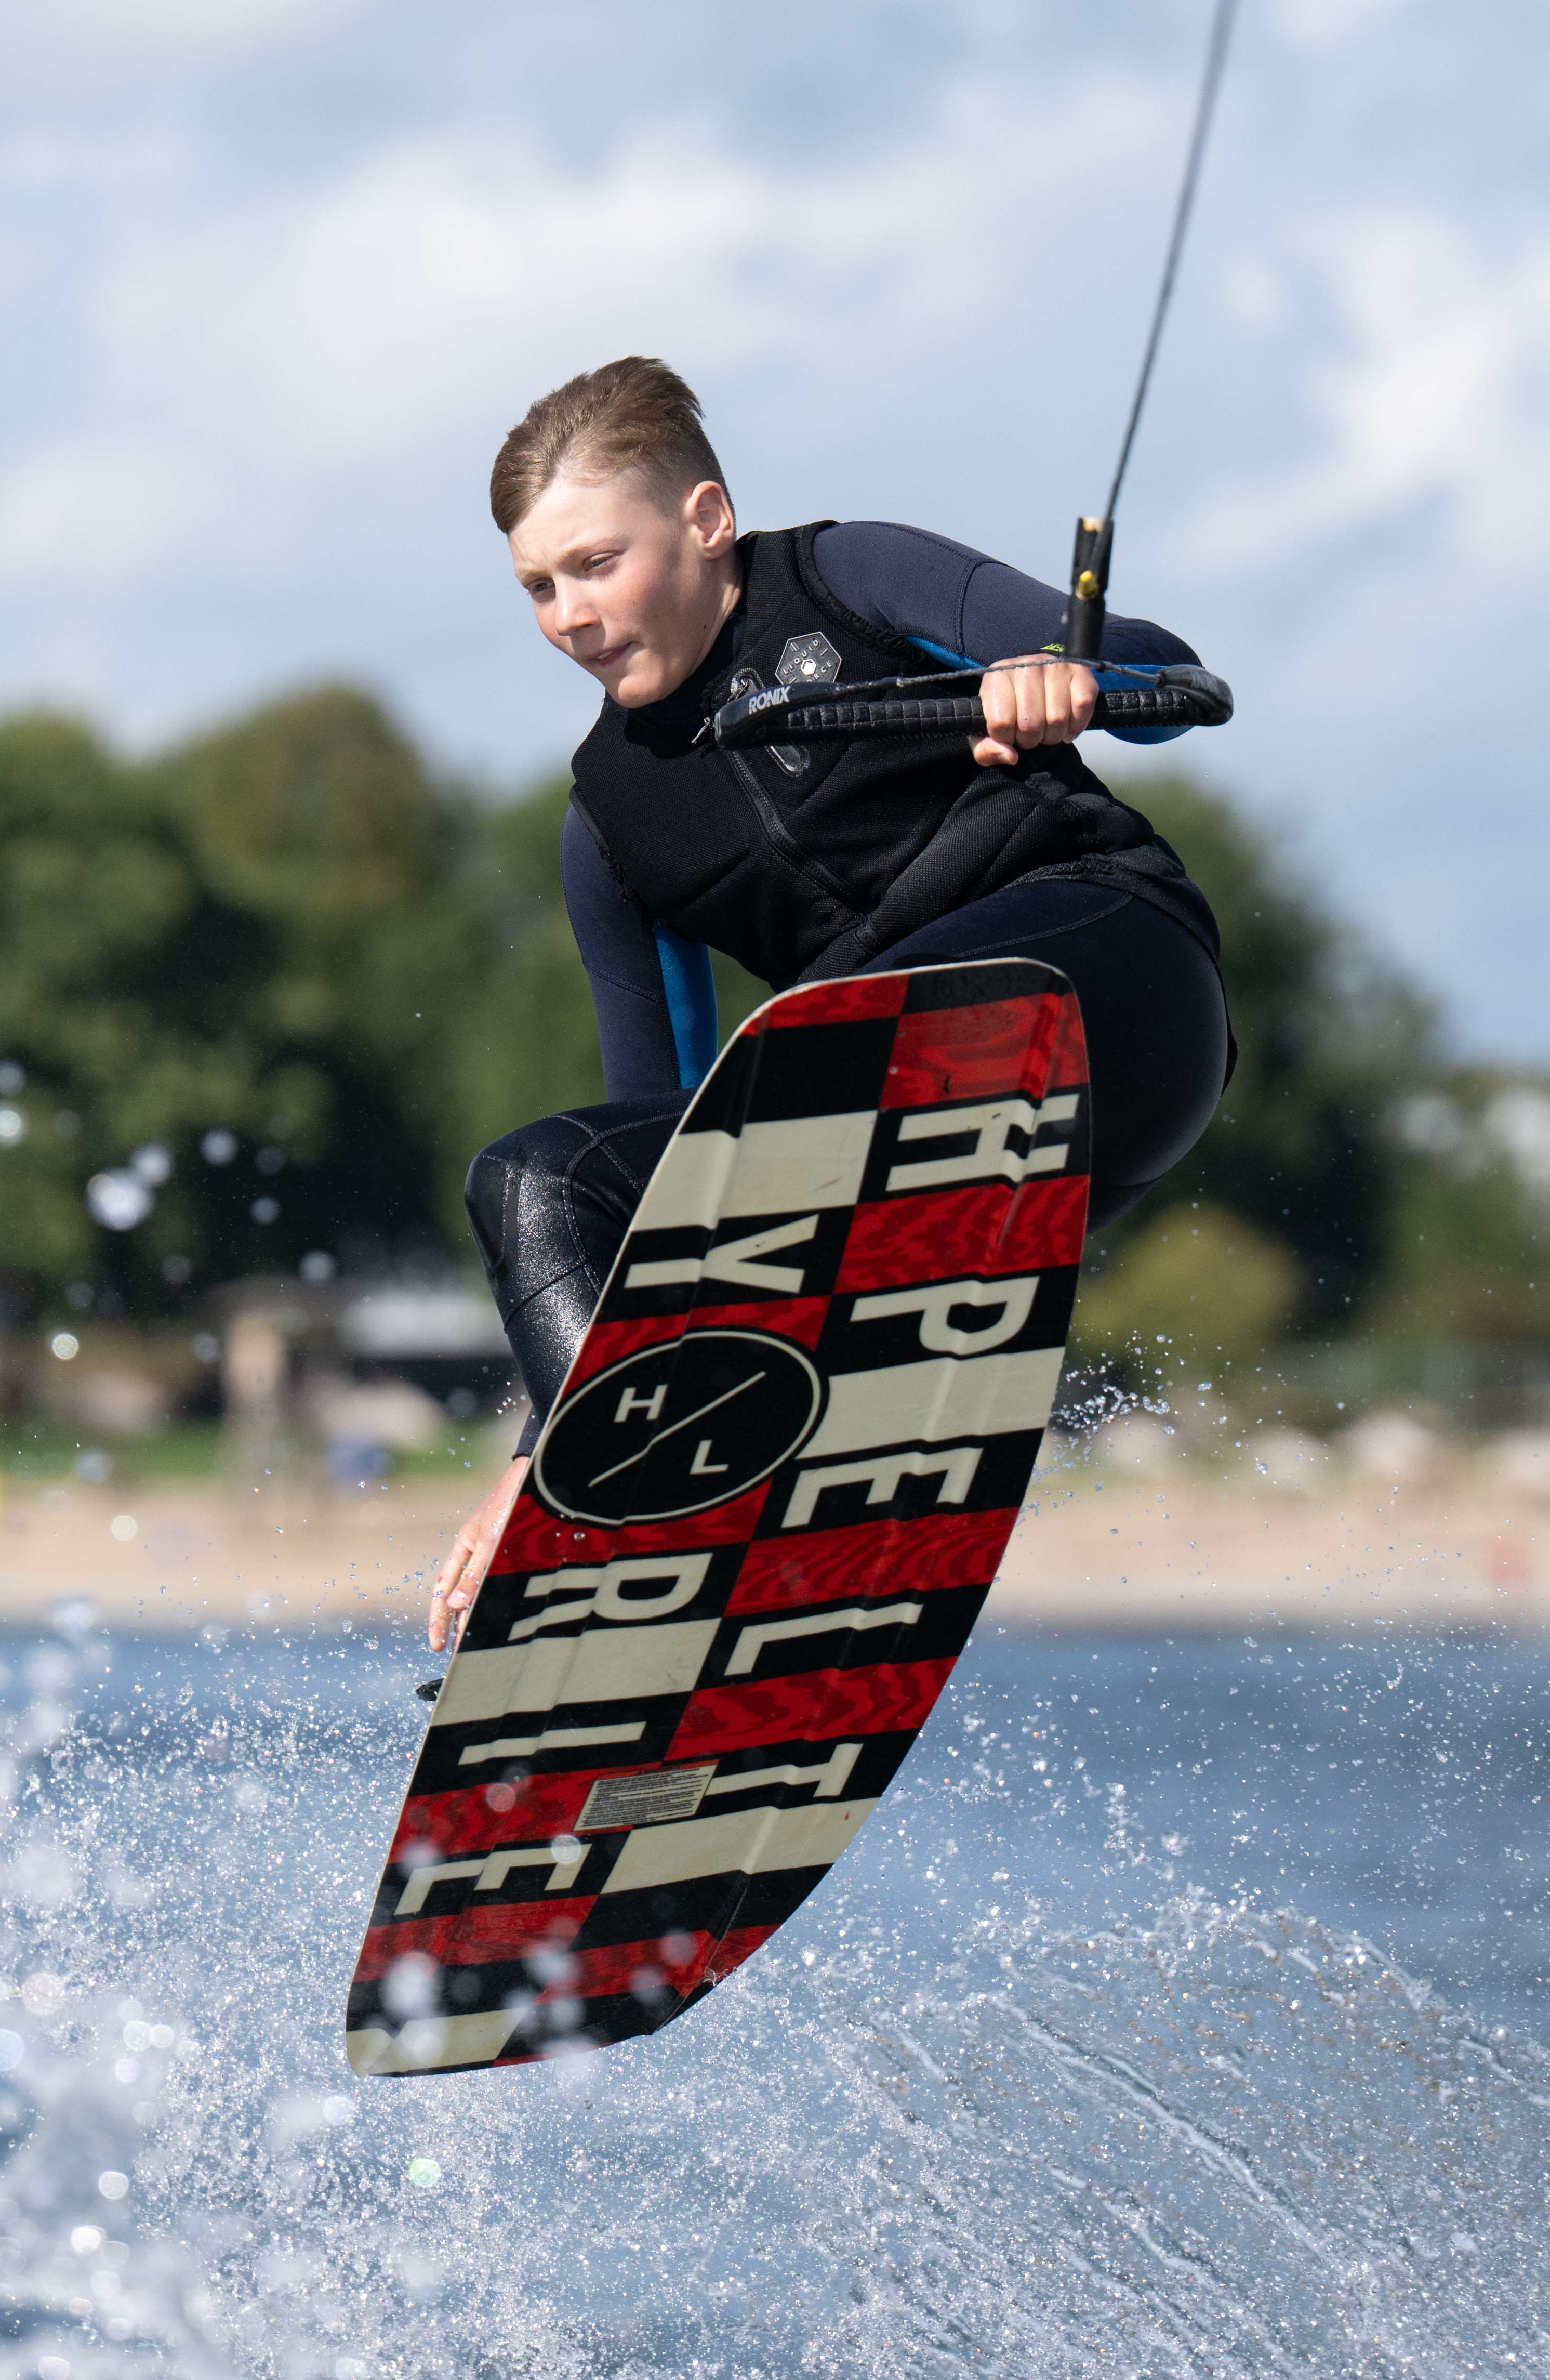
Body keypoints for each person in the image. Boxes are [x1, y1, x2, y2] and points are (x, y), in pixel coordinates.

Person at [423, 357, 1234, 1648]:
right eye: (538, 586)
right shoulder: (610, 827)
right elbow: (668, 1183)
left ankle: (671, 1506)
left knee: (841, 1031)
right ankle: (624, 1543)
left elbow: (1172, 678)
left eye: (594, 563)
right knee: (535, 1180)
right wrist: (534, 1456)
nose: (570, 613)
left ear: (704, 520)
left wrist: (1068, 676)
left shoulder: (852, 576)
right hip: (895, 1133)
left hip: (1112, 1001)